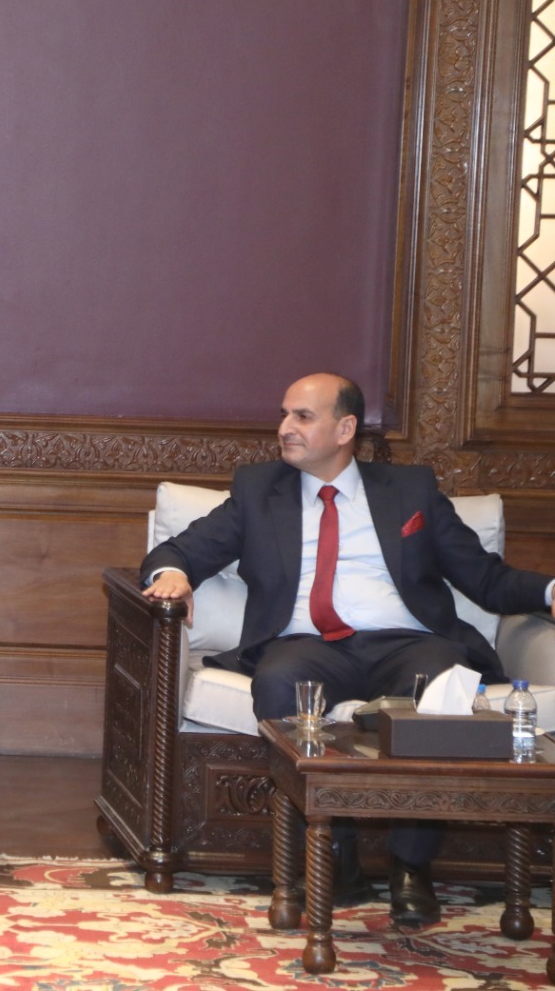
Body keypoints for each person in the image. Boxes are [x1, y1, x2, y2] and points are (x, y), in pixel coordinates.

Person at [142, 372, 555, 927]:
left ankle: (411, 868)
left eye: (302, 417)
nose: (285, 428)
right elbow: (182, 549)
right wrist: (172, 574)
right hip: (306, 643)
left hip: (407, 643)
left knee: (441, 685)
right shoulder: (258, 490)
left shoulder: (410, 491)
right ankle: (335, 856)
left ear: (345, 429)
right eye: (284, 414)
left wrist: (550, 592)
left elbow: (485, 578)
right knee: (277, 680)